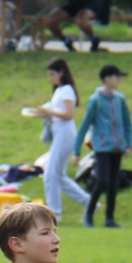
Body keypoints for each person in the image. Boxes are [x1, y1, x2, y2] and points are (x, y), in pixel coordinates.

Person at [28, 57, 90, 225]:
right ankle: (89, 202)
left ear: (61, 73)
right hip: (58, 131)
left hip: (65, 132)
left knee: (50, 174)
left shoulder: (67, 90)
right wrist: (43, 112)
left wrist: (50, 112)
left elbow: (69, 114)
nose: (51, 78)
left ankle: (55, 213)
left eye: (53, 74)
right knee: (59, 175)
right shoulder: (59, 90)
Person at [77, 64, 132, 229]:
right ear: (107, 79)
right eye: (116, 77)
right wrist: (76, 150)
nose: (119, 80)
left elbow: (127, 124)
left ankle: (109, 218)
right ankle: (89, 213)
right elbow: (85, 125)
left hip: (117, 146)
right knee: (102, 180)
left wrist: (129, 144)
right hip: (102, 146)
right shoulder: (95, 100)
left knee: (113, 183)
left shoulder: (120, 99)